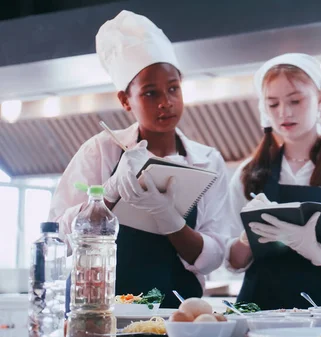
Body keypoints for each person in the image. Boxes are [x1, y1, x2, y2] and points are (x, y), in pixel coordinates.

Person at [48, 10, 232, 308]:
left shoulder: (207, 161)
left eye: (173, 88)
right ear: (125, 100)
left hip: (176, 312)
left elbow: (214, 257)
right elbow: (58, 240)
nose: (166, 102)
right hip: (99, 309)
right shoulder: (101, 151)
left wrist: (170, 220)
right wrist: (106, 196)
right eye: (150, 93)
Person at [225, 53, 321, 310]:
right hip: (258, 314)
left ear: (320, 99)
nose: (284, 112)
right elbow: (233, 262)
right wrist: (244, 240)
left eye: (295, 100)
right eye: (273, 104)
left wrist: (317, 251)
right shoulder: (248, 173)